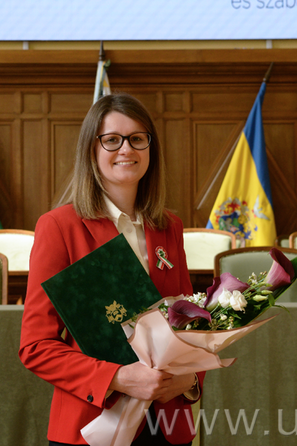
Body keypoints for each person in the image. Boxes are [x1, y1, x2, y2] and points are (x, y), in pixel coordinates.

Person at [19, 93, 204, 446]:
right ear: (92, 149)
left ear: (150, 148)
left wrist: (190, 380)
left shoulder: (169, 227)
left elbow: (190, 326)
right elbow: (36, 346)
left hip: (166, 423)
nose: (126, 149)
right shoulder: (60, 227)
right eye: (112, 140)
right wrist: (117, 377)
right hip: (93, 424)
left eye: (137, 138)